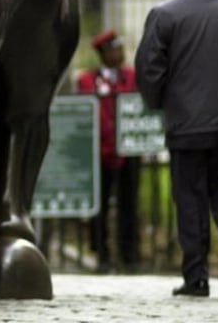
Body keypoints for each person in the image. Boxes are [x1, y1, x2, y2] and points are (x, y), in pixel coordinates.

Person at [135, 0, 218, 297]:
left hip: (184, 126)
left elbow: (148, 72)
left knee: (190, 197)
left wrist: (164, 101)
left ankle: (196, 277)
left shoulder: (163, 15)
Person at [77, 29, 140, 273]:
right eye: (114, 49)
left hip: (128, 151)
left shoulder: (132, 77)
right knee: (99, 204)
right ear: (103, 53)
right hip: (100, 153)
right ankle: (101, 253)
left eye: (121, 48)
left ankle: (129, 254)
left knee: (129, 204)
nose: (119, 53)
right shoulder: (88, 81)